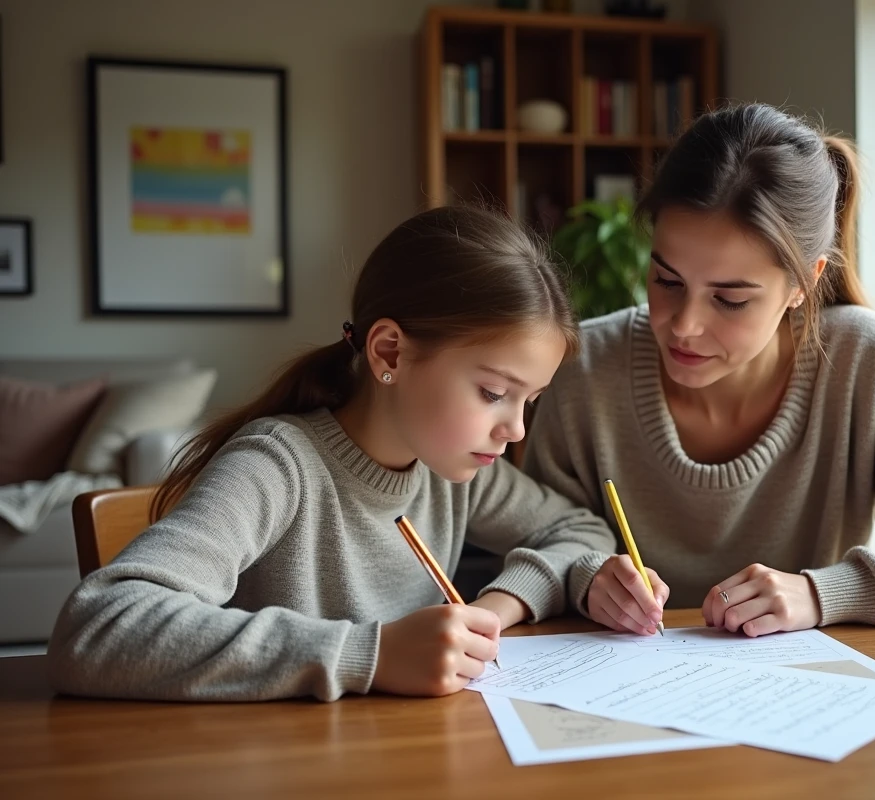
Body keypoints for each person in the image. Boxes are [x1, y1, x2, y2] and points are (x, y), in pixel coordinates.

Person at [524, 103, 875, 638]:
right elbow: (541, 543)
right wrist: (587, 578)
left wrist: (824, 593)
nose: (684, 325)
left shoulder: (860, 360)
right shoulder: (586, 368)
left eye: (730, 300)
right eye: (666, 281)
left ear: (804, 282)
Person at [48, 205, 615, 701]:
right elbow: (98, 627)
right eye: (493, 393)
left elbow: (581, 530)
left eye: (529, 400)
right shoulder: (277, 467)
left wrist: (498, 606)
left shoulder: (452, 468)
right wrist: (372, 654)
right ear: (389, 352)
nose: (514, 430)